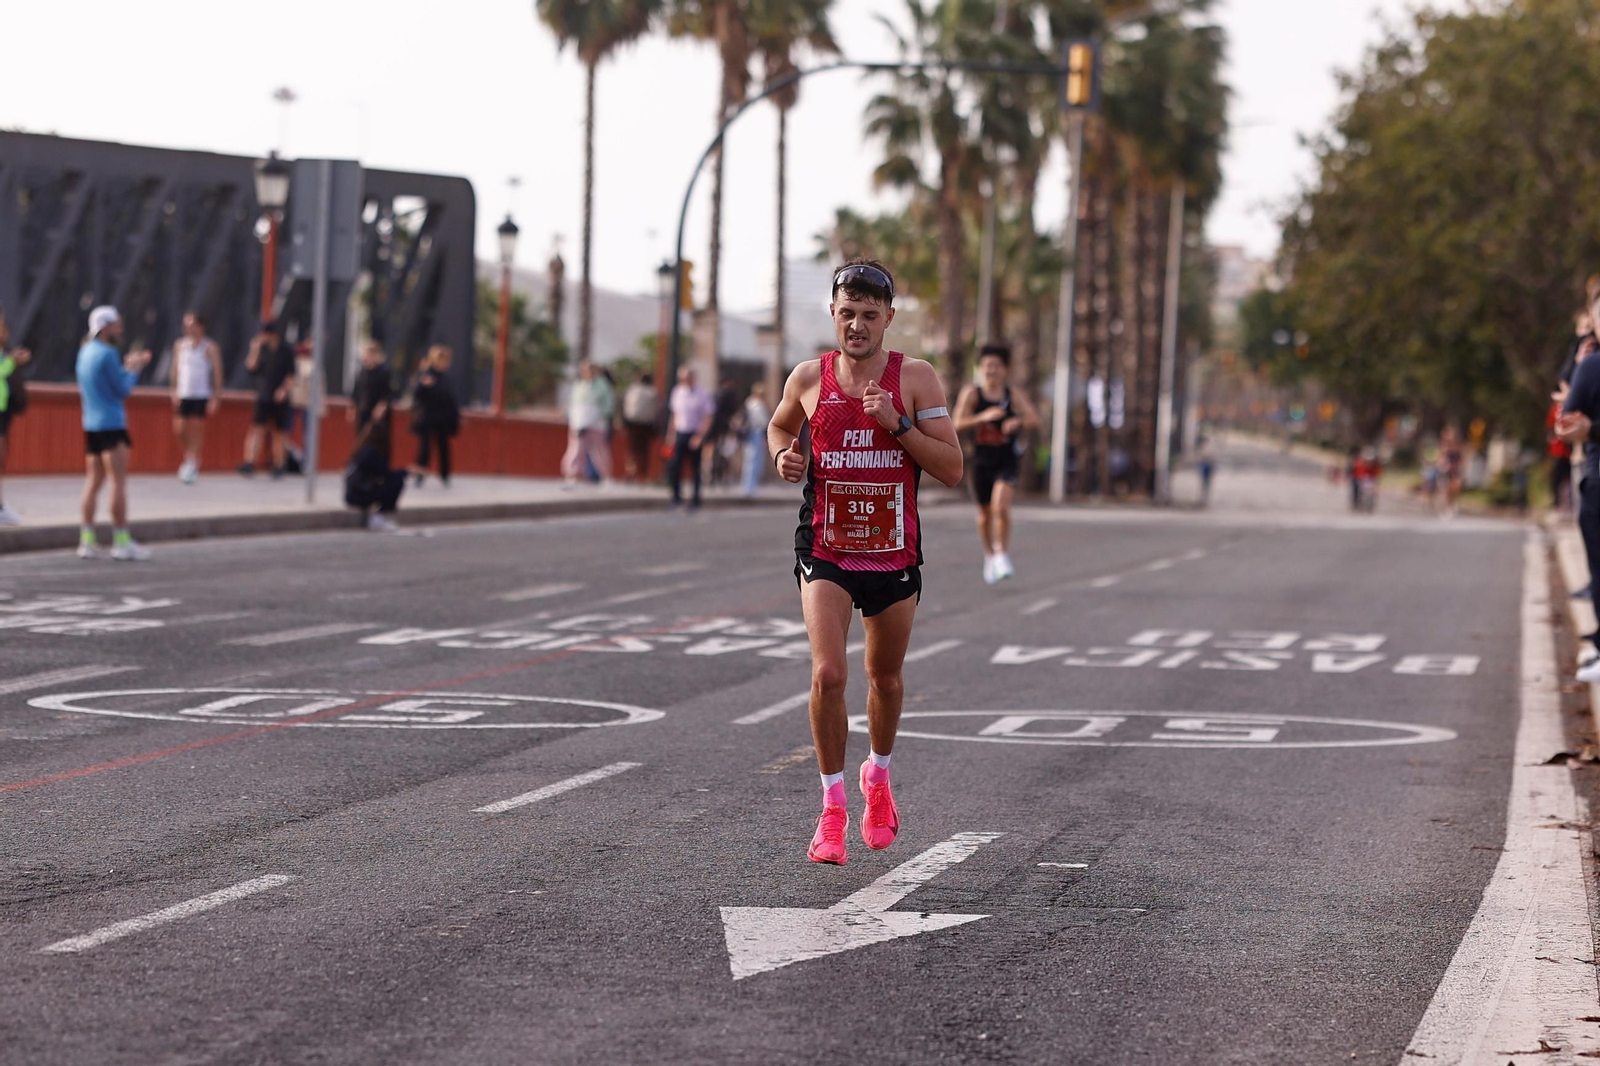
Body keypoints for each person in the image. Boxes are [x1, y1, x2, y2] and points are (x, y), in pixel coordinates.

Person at [766, 258, 962, 866]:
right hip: (825, 546)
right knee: (829, 675)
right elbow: (778, 427)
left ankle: (877, 778)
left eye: (869, 317)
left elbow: (951, 468)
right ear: (833, 312)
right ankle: (831, 807)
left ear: (888, 320)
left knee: (885, 679)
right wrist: (782, 458)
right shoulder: (807, 378)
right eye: (846, 314)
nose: (856, 326)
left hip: (893, 553)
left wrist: (897, 423)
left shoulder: (916, 378)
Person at [953, 342, 1040, 583]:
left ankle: (1002, 553)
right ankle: (989, 555)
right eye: (987, 366)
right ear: (980, 368)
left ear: (1006, 369)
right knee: (983, 514)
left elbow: (1034, 419)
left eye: (996, 366)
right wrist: (983, 417)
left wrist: (1017, 422)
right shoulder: (972, 394)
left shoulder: (1012, 395)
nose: (991, 370)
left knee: (1001, 507)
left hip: (1006, 459)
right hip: (980, 459)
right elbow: (956, 423)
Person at [76, 306, 152, 560]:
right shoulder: (108, 354)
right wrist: (134, 368)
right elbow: (122, 389)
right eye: (117, 325)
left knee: (93, 482)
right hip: (111, 424)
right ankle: (121, 540)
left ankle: (86, 539)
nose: (120, 329)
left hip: (91, 424)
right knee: (117, 483)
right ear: (106, 326)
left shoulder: (84, 351)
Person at [170, 311, 223, 485]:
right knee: (180, 428)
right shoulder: (180, 345)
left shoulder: (209, 347)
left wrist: (216, 396)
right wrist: (174, 389)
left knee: (196, 428)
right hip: (184, 392)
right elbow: (175, 368)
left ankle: (192, 462)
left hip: (201, 394)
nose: (187, 328)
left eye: (191, 324)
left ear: (200, 326)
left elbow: (217, 372)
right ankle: (189, 456)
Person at [240, 320, 295, 478]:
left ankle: (279, 464)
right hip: (263, 394)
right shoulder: (261, 350)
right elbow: (251, 367)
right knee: (257, 428)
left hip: (280, 397)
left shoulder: (286, 351)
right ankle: (250, 462)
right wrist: (255, 349)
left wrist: (283, 390)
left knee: (280, 432)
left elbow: (291, 375)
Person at [409, 345, 460, 487]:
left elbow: (451, 400)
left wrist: (455, 417)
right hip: (427, 418)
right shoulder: (425, 374)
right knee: (424, 449)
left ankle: (445, 475)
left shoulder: (446, 378)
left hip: (442, 419)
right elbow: (415, 394)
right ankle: (420, 475)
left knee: (444, 448)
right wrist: (423, 385)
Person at [666, 366, 714, 510]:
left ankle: (696, 499)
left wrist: (700, 436)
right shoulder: (677, 392)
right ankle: (676, 497)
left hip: (695, 433)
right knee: (675, 466)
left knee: (695, 467)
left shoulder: (702, 394)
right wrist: (670, 435)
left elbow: (708, 416)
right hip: (680, 432)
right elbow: (674, 415)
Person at [344, 419, 405, 533]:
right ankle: (379, 516)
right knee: (397, 481)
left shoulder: (361, 449)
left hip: (353, 493)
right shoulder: (371, 453)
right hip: (359, 494)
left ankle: (379, 516)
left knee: (391, 481)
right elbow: (387, 473)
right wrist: (407, 471)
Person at [561, 358, 614, 486]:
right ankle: (572, 475)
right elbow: (572, 403)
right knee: (576, 448)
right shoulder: (578, 386)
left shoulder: (602, 385)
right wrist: (572, 418)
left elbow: (608, 404)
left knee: (599, 450)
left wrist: (598, 416)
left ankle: (606, 477)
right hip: (579, 422)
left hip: (597, 423)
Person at [621, 371, 659, 483]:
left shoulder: (632, 390)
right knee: (644, 451)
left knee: (631, 450)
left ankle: (630, 471)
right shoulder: (652, 392)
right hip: (646, 425)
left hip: (632, 423)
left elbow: (625, 406)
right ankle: (642, 475)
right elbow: (655, 410)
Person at [349, 340, 393, 435]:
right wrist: (353, 408)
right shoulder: (362, 372)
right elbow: (356, 391)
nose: (366, 357)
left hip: (377, 414)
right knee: (361, 438)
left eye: (368, 354)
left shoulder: (383, 372)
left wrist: (381, 407)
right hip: (363, 411)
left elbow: (387, 393)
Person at [740, 382, 772, 497]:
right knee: (751, 460)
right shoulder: (753, 404)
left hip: (758, 432)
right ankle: (748, 487)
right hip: (753, 431)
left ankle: (751, 486)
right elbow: (763, 420)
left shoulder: (756, 403)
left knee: (757, 461)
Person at [709, 377, 740, 485]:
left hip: (716, 427)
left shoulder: (716, 394)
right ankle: (722, 475)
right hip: (724, 427)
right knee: (726, 452)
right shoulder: (729, 395)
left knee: (716, 451)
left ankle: (714, 474)